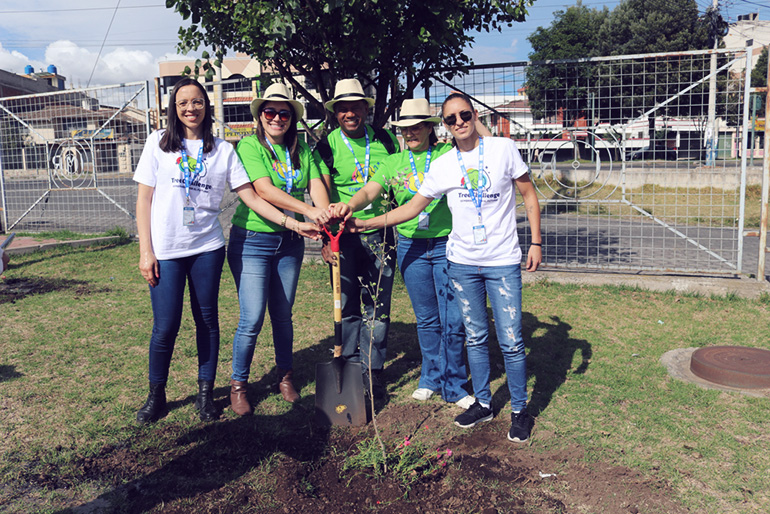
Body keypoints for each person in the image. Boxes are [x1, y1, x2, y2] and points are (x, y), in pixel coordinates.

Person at [343, 92, 542, 443]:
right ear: (446, 126)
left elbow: (528, 194)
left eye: (464, 115)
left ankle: (519, 410)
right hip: (462, 261)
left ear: (474, 115)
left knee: (510, 340)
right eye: (451, 119)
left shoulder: (502, 148)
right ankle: (482, 402)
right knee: (476, 337)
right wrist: (364, 223)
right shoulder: (443, 165)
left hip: (501, 260)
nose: (459, 122)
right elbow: (411, 208)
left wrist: (536, 242)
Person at [134, 78, 319, 424]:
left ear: (207, 106)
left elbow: (250, 195)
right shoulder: (157, 144)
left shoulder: (222, 150)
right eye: (183, 103)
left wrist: (294, 224)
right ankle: (156, 395)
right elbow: (143, 200)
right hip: (167, 250)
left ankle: (206, 395)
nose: (191, 108)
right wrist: (147, 251)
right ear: (174, 109)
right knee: (165, 326)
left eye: (198, 102)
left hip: (207, 248)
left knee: (207, 322)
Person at [330, 98, 475, 409]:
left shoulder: (446, 155)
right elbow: (370, 189)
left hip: (446, 243)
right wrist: (349, 206)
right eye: (406, 128)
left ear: (430, 128)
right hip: (411, 246)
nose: (411, 132)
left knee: (452, 317)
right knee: (426, 318)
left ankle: (455, 383)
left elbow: (482, 144)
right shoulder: (394, 162)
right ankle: (430, 377)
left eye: (418, 126)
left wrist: (469, 117)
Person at [228, 83, 330, 415]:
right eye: (269, 112)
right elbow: (264, 190)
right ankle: (239, 384)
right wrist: (306, 213)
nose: (277, 118)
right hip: (253, 241)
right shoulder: (249, 146)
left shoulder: (303, 151)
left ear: (292, 119)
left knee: (283, 315)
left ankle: (285, 376)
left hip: (290, 244)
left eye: (284, 113)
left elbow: (316, 187)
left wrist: (325, 218)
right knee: (252, 317)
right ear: (260, 116)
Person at [313, 78, 399, 397]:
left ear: (366, 108)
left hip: (380, 233)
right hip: (342, 237)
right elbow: (319, 195)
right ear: (336, 113)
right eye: (343, 108)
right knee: (346, 304)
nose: (350, 113)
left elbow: (396, 183)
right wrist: (325, 238)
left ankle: (372, 369)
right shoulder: (326, 146)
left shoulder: (387, 141)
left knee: (377, 305)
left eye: (356, 107)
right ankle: (348, 368)